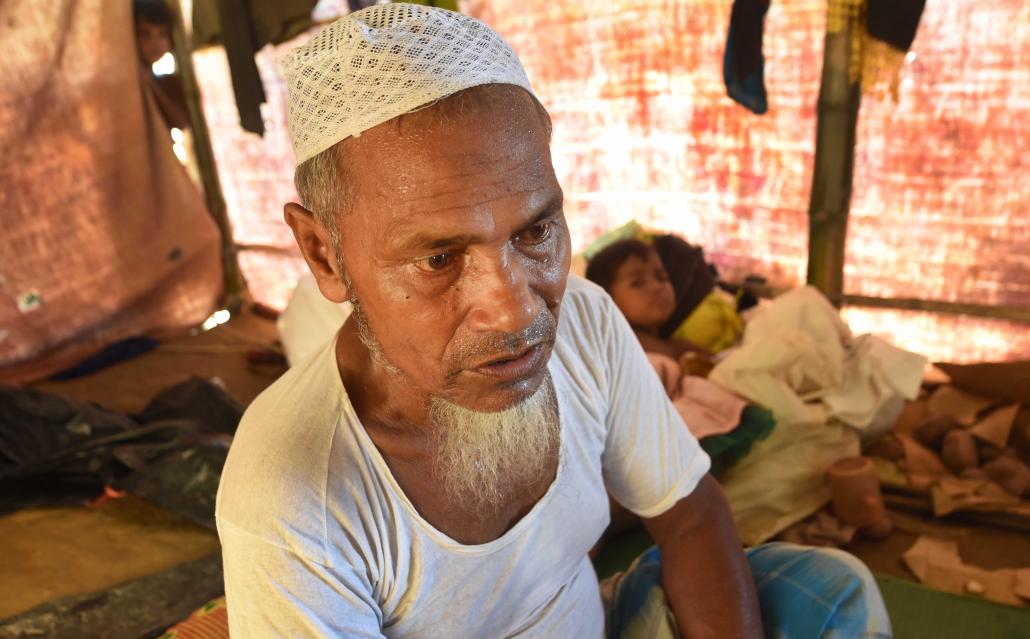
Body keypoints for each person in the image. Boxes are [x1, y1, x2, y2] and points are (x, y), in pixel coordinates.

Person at [215, 5, 892, 638]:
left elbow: (691, 518)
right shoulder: (291, 487)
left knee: (832, 588)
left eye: (535, 231)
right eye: (440, 257)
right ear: (323, 255)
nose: (517, 309)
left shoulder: (588, 322)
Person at [585, 238, 713, 364]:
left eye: (661, 277)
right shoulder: (618, 348)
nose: (657, 287)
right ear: (606, 300)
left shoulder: (679, 347)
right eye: (637, 283)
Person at [133, 0, 189, 130]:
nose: (155, 43)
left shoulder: (170, 83)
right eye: (145, 34)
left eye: (162, 34)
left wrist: (151, 84)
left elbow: (181, 122)